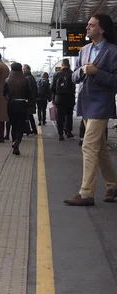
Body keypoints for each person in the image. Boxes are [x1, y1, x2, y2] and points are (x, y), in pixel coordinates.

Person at [64, 14, 117, 206]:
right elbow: (74, 76)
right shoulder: (84, 50)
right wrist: (83, 71)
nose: (87, 27)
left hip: (102, 104)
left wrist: (97, 73)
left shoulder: (113, 52)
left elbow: (115, 81)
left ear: (101, 29)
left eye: (91, 25)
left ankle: (86, 193)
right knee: (100, 148)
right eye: (87, 25)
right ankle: (112, 185)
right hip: (86, 103)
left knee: (88, 146)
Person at [3, 62, 32, 156]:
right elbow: (29, 93)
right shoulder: (25, 80)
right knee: (20, 126)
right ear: (20, 70)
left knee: (13, 126)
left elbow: (4, 93)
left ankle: (15, 147)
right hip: (22, 104)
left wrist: (10, 98)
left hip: (11, 105)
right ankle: (17, 141)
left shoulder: (7, 80)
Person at [51, 58, 76, 141]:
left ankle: (60, 134)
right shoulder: (72, 74)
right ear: (69, 65)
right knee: (69, 115)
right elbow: (74, 86)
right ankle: (68, 132)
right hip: (70, 98)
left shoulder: (57, 74)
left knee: (59, 117)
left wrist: (54, 96)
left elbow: (52, 88)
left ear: (62, 65)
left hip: (59, 98)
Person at [23, 64, 38, 135]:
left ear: (28, 70)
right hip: (31, 100)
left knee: (26, 116)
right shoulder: (31, 77)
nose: (23, 70)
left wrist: (27, 99)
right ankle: (34, 129)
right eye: (23, 69)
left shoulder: (28, 78)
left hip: (29, 100)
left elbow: (29, 90)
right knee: (30, 115)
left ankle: (27, 130)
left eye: (24, 69)